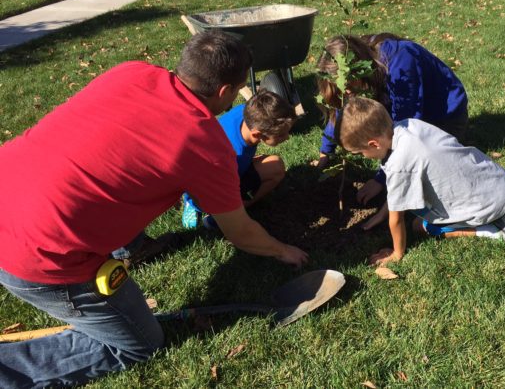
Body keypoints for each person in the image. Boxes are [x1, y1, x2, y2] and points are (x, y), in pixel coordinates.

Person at [0, 30, 308, 388]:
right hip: (40, 252)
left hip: (12, 187)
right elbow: (239, 231)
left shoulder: (131, 72)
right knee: (140, 343)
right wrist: (283, 250)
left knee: (119, 171)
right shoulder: (205, 145)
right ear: (225, 92)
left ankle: (129, 246)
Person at [336, 97, 505, 266]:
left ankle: (494, 231)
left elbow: (397, 219)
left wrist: (396, 253)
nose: (363, 156)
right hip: (495, 181)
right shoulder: (409, 126)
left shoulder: (400, 163)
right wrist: (380, 215)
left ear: (374, 144)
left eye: (360, 152)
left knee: (419, 225)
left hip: (485, 204)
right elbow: (396, 192)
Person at [314, 33, 469, 219]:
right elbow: (342, 109)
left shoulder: (402, 63)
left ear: (358, 65)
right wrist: (326, 152)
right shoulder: (356, 76)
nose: (346, 91)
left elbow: (407, 129)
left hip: (443, 118)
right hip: (406, 116)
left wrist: (381, 179)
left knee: (425, 167)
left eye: (347, 85)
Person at [181, 88, 297, 228]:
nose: (287, 137)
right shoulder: (232, 154)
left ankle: (243, 205)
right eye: (280, 135)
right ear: (257, 134)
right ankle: (196, 207)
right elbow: (209, 182)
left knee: (276, 166)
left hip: (229, 172)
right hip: (210, 183)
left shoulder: (248, 113)